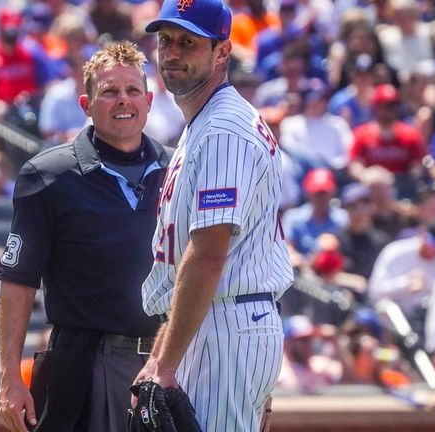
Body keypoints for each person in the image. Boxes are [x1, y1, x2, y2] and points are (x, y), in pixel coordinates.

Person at [0, 41, 171, 432]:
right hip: (87, 369)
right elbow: (18, 283)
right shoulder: (47, 175)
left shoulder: (181, 169)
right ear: (85, 104)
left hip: (173, 363)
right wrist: (9, 378)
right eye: (109, 92)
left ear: (149, 99)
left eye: (132, 91)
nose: (122, 100)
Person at [134, 1, 294, 430]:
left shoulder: (223, 129)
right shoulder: (206, 122)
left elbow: (208, 256)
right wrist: (159, 357)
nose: (171, 53)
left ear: (222, 52)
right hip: (219, 321)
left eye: (189, 42)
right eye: (165, 41)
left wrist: (165, 363)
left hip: (224, 323)